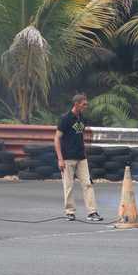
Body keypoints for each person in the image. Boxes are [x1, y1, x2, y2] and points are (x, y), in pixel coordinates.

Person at [54, 93, 103, 222]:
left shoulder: (82, 118)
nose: (85, 106)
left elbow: (80, 136)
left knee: (88, 184)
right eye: (83, 104)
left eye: (86, 104)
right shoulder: (65, 119)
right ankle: (70, 212)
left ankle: (92, 212)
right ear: (76, 104)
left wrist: (84, 152)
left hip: (81, 157)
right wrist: (60, 159)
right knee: (68, 185)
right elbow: (57, 138)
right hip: (67, 158)